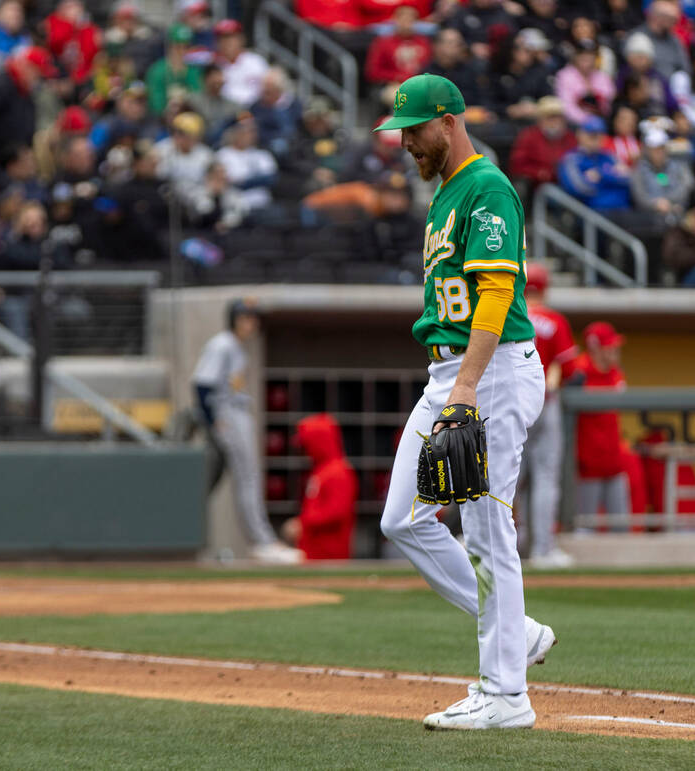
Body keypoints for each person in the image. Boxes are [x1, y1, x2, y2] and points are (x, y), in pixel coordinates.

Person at [374, 75, 555, 732]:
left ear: (449, 121)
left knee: (485, 530)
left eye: (415, 129)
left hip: (492, 369)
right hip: (451, 372)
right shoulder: (446, 191)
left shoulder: (487, 187)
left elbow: (496, 295)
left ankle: (507, 695)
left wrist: (468, 385)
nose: (405, 142)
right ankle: (520, 630)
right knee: (403, 517)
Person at [192, 299, 304, 565]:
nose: (251, 323)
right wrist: (213, 421)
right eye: (246, 317)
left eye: (253, 318)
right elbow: (201, 385)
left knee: (237, 478)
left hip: (235, 412)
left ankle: (261, 541)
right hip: (228, 414)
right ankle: (262, 542)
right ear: (235, 319)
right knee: (248, 478)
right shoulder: (223, 344)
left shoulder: (234, 346)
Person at [520, 263, 577, 569]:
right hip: (544, 400)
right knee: (544, 478)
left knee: (505, 480)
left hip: (510, 402)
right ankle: (542, 549)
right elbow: (568, 368)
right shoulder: (554, 320)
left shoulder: (508, 313)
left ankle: (497, 548)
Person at [573, 321, 630, 522]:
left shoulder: (615, 372)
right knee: (584, 527)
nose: (615, 349)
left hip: (614, 463)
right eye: (610, 346)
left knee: (621, 526)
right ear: (596, 348)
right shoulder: (579, 372)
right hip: (587, 467)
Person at [282, 413, 358, 561]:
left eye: (307, 445)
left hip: (329, 554)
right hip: (313, 551)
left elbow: (336, 512)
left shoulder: (339, 472)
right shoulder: (321, 470)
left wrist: (303, 523)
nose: (305, 451)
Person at [557, 116, 631, 211]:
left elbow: (629, 180)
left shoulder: (609, 156)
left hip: (623, 209)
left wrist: (601, 174)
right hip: (592, 214)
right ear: (580, 134)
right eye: (592, 135)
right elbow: (579, 189)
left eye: (600, 135)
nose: (597, 139)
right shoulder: (571, 159)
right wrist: (613, 176)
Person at [507, 96, 576, 194]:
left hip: (567, 184)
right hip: (539, 186)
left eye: (557, 117)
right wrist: (538, 173)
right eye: (549, 117)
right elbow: (517, 165)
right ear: (540, 119)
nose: (554, 122)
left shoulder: (571, 138)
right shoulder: (529, 136)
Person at [365, 6, 433, 92]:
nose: (406, 24)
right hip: (393, 84)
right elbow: (373, 72)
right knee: (402, 96)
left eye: (410, 20)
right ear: (395, 20)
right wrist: (396, 76)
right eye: (403, 20)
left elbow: (430, 66)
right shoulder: (383, 43)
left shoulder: (423, 42)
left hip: (420, 84)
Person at [631, 128, 695, 220]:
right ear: (647, 150)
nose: (658, 152)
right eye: (654, 149)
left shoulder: (678, 166)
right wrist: (655, 204)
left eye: (661, 148)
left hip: (677, 213)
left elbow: (686, 186)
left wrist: (669, 202)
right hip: (648, 217)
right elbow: (639, 195)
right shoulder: (639, 169)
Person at [554, 40, 615, 127]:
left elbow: (608, 101)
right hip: (573, 124)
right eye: (583, 56)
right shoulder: (564, 75)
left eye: (591, 56)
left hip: (601, 121)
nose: (587, 60)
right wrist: (586, 120)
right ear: (576, 57)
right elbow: (566, 106)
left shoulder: (602, 76)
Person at [146, 24, 202, 116]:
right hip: (163, 119)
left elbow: (199, 97)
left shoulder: (194, 70)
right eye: (177, 47)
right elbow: (155, 104)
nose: (182, 51)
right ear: (169, 47)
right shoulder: (158, 70)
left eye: (186, 47)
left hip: (190, 117)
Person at [213, 19, 268, 108]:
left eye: (231, 37)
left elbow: (267, 91)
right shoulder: (214, 65)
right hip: (225, 112)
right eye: (223, 38)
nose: (227, 42)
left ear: (241, 39)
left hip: (256, 110)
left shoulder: (256, 62)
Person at [632, 0, 690, 80]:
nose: (675, 23)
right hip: (648, 83)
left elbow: (685, 68)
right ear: (657, 17)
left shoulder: (674, 40)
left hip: (671, 86)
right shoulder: (638, 37)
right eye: (671, 19)